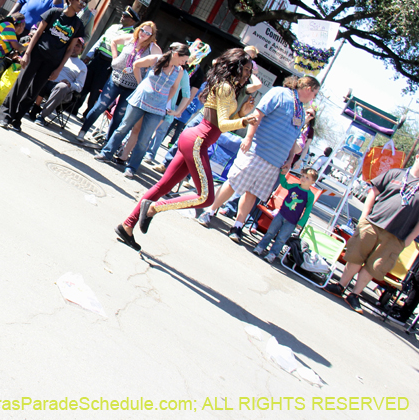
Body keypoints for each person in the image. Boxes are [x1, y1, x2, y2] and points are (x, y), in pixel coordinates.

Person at [115, 49, 260, 251]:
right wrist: (244, 120)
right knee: (206, 197)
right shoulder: (226, 87)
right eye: (245, 69)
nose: (247, 74)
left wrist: (242, 113)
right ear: (235, 67)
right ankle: (154, 208)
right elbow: (225, 125)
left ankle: (127, 225)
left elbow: (223, 120)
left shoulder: (226, 86)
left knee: (162, 186)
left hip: (192, 139)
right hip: (198, 141)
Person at [197, 75, 322, 242]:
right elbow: (257, 114)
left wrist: (290, 158)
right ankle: (210, 211)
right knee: (234, 182)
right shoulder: (279, 93)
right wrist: (248, 138)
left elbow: (294, 136)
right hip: (257, 151)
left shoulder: (300, 108)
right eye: (315, 93)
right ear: (308, 89)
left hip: (275, 162)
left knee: (253, 193)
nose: (314, 97)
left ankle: (238, 226)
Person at [326, 158, 419, 314]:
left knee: (376, 266)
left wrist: (407, 241)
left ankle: (354, 295)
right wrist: (364, 217)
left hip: (396, 237)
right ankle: (340, 285)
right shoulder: (396, 174)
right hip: (373, 224)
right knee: (356, 256)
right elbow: (373, 192)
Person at [94, 43, 191, 178]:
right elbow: (136, 65)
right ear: (176, 55)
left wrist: (164, 99)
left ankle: (132, 167)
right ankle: (107, 153)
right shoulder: (156, 59)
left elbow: (175, 88)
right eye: (183, 59)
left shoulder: (179, 71)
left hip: (157, 108)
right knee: (124, 127)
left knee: (144, 138)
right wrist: (141, 84)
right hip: (140, 100)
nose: (184, 63)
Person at [0, 0, 87, 132]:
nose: (82, 4)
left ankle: (17, 119)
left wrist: (58, 69)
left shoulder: (78, 25)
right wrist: (27, 53)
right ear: (70, 0)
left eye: (84, 2)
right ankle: (6, 115)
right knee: (21, 84)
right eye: (80, 0)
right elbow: (38, 33)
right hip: (36, 54)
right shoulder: (54, 13)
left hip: (52, 62)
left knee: (34, 91)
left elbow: (70, 49)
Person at [77, 19, 161, 142]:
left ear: (151, 36)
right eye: (142, 30)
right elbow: (114, 41)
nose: (143, 34)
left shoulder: (152, 48)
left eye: (148, 33)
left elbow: (160, 60)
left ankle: (107, 141)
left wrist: (148, 70)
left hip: (132, 85)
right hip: (116, 78)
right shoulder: (131, 38)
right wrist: (115, 58)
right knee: (100, 105)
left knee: (119, 115)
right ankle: (83, 130)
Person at [73, 6, 139, 117]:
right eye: (123, 14)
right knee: (85, 84)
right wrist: (89, 55)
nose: (122, 16)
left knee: (96, 90)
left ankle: (87, 114)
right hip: (97, 59)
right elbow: (100, 40)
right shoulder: (114, 27)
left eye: (126, 16)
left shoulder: (132, 36)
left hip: (109, 65)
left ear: (132, 20)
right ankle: (73, 108)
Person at [253, 169, 319, 263]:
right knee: (270, 232)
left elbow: (308, 210)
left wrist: (301, 222)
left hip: (292, 221)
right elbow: (284, 184)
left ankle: (273, 253)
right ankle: (261, 246)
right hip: (281, 214)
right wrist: (282, 175)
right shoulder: (295, 186)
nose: (303, 178)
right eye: (303, 175)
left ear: (312, 182)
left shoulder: (310, 195)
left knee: (281, 238)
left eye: (307, 177)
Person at [35, 38, 87, 126]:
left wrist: (70, 84)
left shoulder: (82, 67)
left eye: (78, 45)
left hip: (64, 91)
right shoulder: (60, 55)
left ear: (81, 50)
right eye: (73, 44)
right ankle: (28, 107)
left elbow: (79, 87)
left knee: (62, 86)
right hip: (48, 83)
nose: (74, 47)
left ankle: (42, 116)